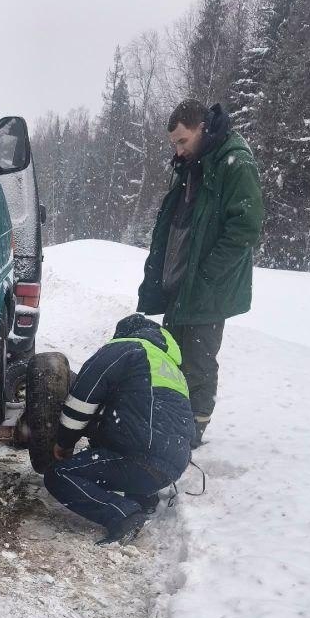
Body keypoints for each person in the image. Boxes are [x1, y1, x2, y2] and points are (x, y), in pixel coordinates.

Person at [137, 100, 264, 447]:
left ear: (202, 129)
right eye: (173, 144)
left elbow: (246, 228)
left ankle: (193, 433)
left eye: (182, 141)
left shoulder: (234, 162)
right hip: (183, 281)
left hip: (209, 286)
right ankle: (173, 423)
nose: (178, 150)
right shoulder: (195, 163)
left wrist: (208, 275)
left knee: (198, 360)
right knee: (172, 355)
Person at [44, 314, 194, 545]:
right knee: (128, 427)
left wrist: (64, 442)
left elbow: (82, 401)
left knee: (59, 475)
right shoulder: (169, 366)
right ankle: (144, 498)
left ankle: (123, 514)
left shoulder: (124, 349)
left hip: (139, 458)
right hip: (170, 467)